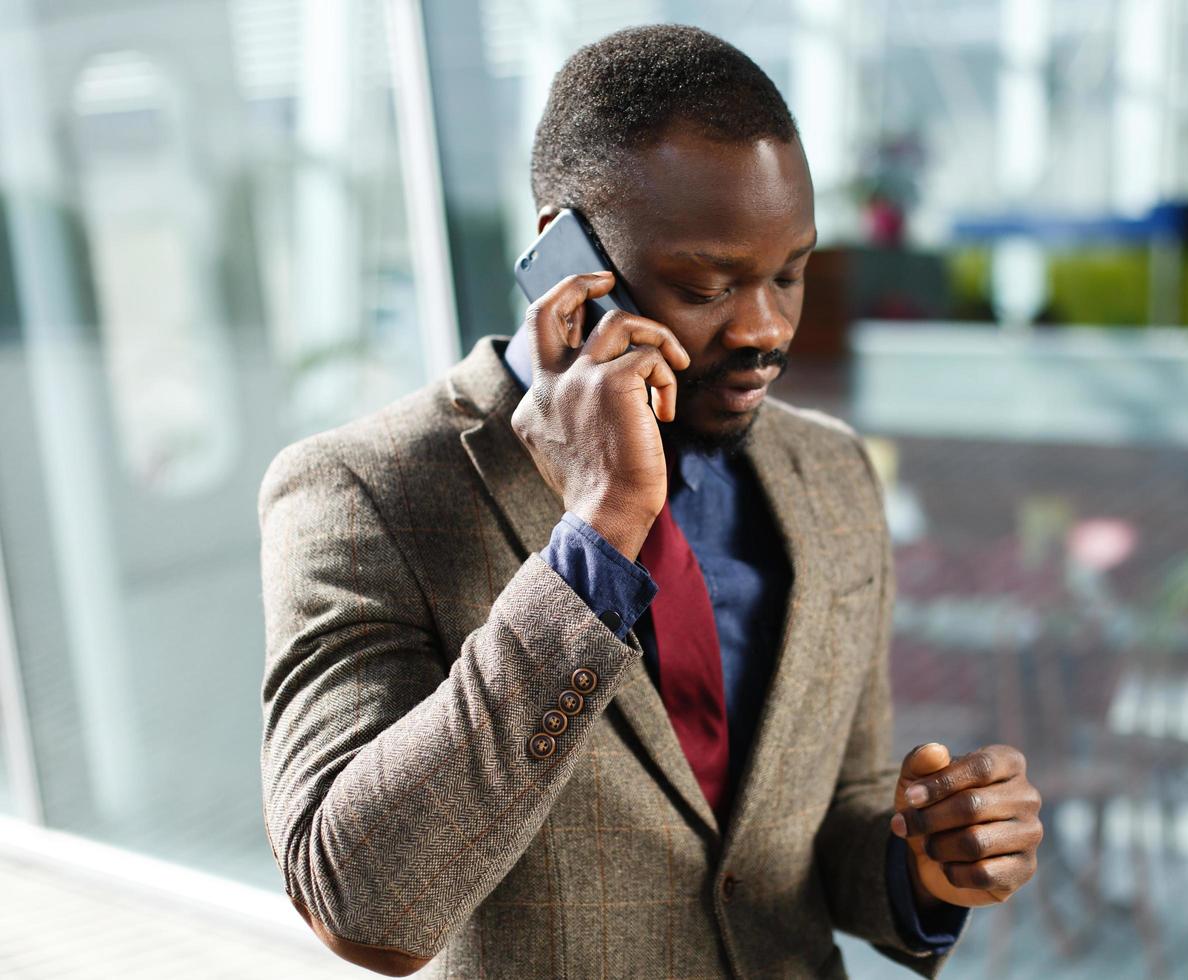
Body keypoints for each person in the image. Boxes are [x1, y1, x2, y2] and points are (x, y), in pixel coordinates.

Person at [258, 24, 1042, 979]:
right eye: (708, 283)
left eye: (788, 273)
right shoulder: (361, 491)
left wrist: (926, 865)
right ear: (567, 257)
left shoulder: (830, 474)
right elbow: (361, 903)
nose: (765, 329)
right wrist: (597, 533)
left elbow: (831, 812)